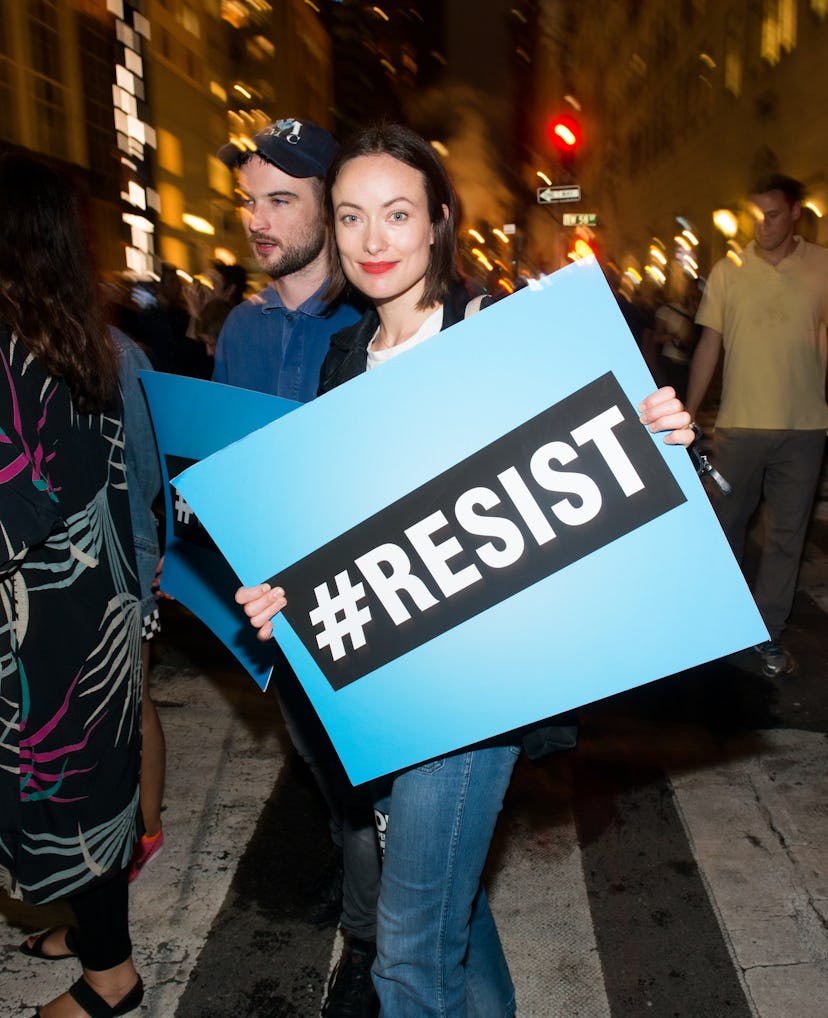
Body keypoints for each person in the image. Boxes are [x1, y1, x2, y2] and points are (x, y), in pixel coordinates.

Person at [236, 121, 695, 1017]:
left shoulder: (492, 329)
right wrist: (282, 591)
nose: (374, 241)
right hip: (380, 689)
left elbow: (592, 465)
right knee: (448, 908)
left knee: (407, 952)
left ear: (440, 222)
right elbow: (339, 533)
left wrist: (658, 433)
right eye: (352, 217)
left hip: (472, 691)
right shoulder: (340, 362)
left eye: (398, 214)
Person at [215, 117, 379, 1017]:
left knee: (364, 776)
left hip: (360, 594)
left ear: (331, 208)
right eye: (249, 202)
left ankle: (367, 940)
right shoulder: (241, 326)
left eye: (281, 200)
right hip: (268, 604)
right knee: (323, 765)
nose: (258, 220)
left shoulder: (373, 322)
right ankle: (359, 887)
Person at [0, 151, 144, 1017]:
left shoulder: (14, 349)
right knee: (89, 786)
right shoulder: (75, 334)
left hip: (46, 634)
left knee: (67, 791)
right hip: (88, 610)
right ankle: (92, 937)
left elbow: (28, 496)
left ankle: (112, 980)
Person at [686, 173, 828, 678]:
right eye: (757, 216)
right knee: (726, 528)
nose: (762, 226)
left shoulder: (822, 266)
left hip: (806, 426)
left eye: (772, 215)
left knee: (788, 536)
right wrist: (686, 413)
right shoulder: (730, 270)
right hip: (741, 426)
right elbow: (708, 345)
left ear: (794, 215)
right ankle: (719, 622)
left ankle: (767, 632)